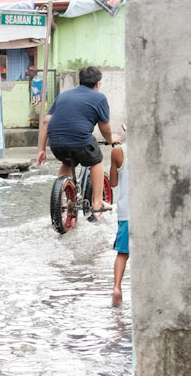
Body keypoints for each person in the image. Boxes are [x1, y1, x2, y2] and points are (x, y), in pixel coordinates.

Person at [36, 64, 115, 214]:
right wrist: (111, 139)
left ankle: (62, 198)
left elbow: (46, 121)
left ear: (80, 81)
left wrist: (41, 150)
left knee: (67, 162)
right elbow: (105, 129)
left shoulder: (63, 95)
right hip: (81, 142)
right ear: (98, 84)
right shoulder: (99, 98)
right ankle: (98, 202)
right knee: (97, 160)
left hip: (56, 144)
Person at [112, 146, 130, 305]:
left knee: (122, 254)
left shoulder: (118, 151)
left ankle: (117, 287)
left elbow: (113, 182)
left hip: (126, 213)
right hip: (149, 212)